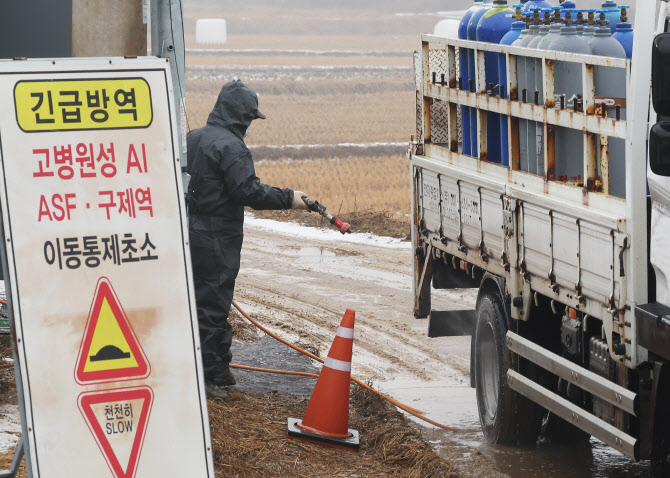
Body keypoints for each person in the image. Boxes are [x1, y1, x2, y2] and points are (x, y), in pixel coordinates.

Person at [186, 79, 309, 400]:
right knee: (213, 302)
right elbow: (248, 191)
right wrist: (290, 198)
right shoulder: (231, 147)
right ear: (240, 115)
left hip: (191, 232)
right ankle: (210, 376)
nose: (250, 124)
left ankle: (207, 366)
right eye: (250, 118)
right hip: (218, 237)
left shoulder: (195, 138)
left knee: (197, 299)